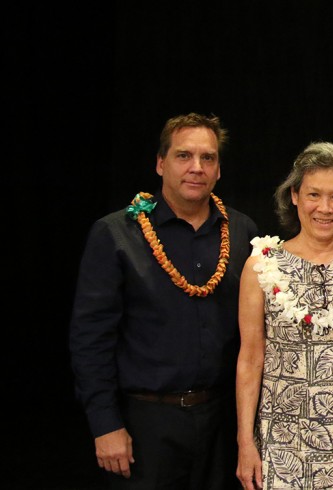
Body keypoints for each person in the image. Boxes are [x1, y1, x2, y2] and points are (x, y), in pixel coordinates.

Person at [69, 112, 259, 489]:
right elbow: (90, 338)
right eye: (183, 155)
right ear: (160, 163)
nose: (196, 167)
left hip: (221, 425)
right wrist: (105, 424)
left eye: (208, 158)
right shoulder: (116, 234)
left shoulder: (242, 231)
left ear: (219, 169)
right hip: (146, 425)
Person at [235, 141, 333, 490]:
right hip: (281, 445)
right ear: (295, 195)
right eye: (314, 194)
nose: (325, 208)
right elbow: (250, 359)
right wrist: (245, 443)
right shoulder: (261, 266)